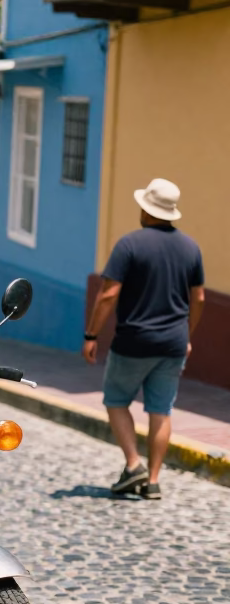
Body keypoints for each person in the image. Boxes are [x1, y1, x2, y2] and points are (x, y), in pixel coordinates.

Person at [83, 178, 205, 499]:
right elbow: (200, 299)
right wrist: (187, 335)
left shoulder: (129, 245)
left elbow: (108, 294)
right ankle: (152, 482)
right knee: (161, 410)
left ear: (147, 209)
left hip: (134, 341)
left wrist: (91, 334)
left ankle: (133, 463)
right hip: (174, 343)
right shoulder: (191, 248)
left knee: (116, 399)